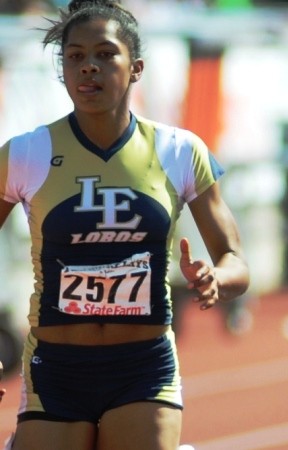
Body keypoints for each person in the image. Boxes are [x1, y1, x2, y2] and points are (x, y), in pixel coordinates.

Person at [0, 1, 250, 449]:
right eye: (74, 57)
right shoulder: (25, 153)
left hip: (143, 367)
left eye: (104, 54)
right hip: (57, 367)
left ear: (135, 68)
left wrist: (217, 279)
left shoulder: (179, 150)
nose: (88, 68)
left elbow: (236, 261)